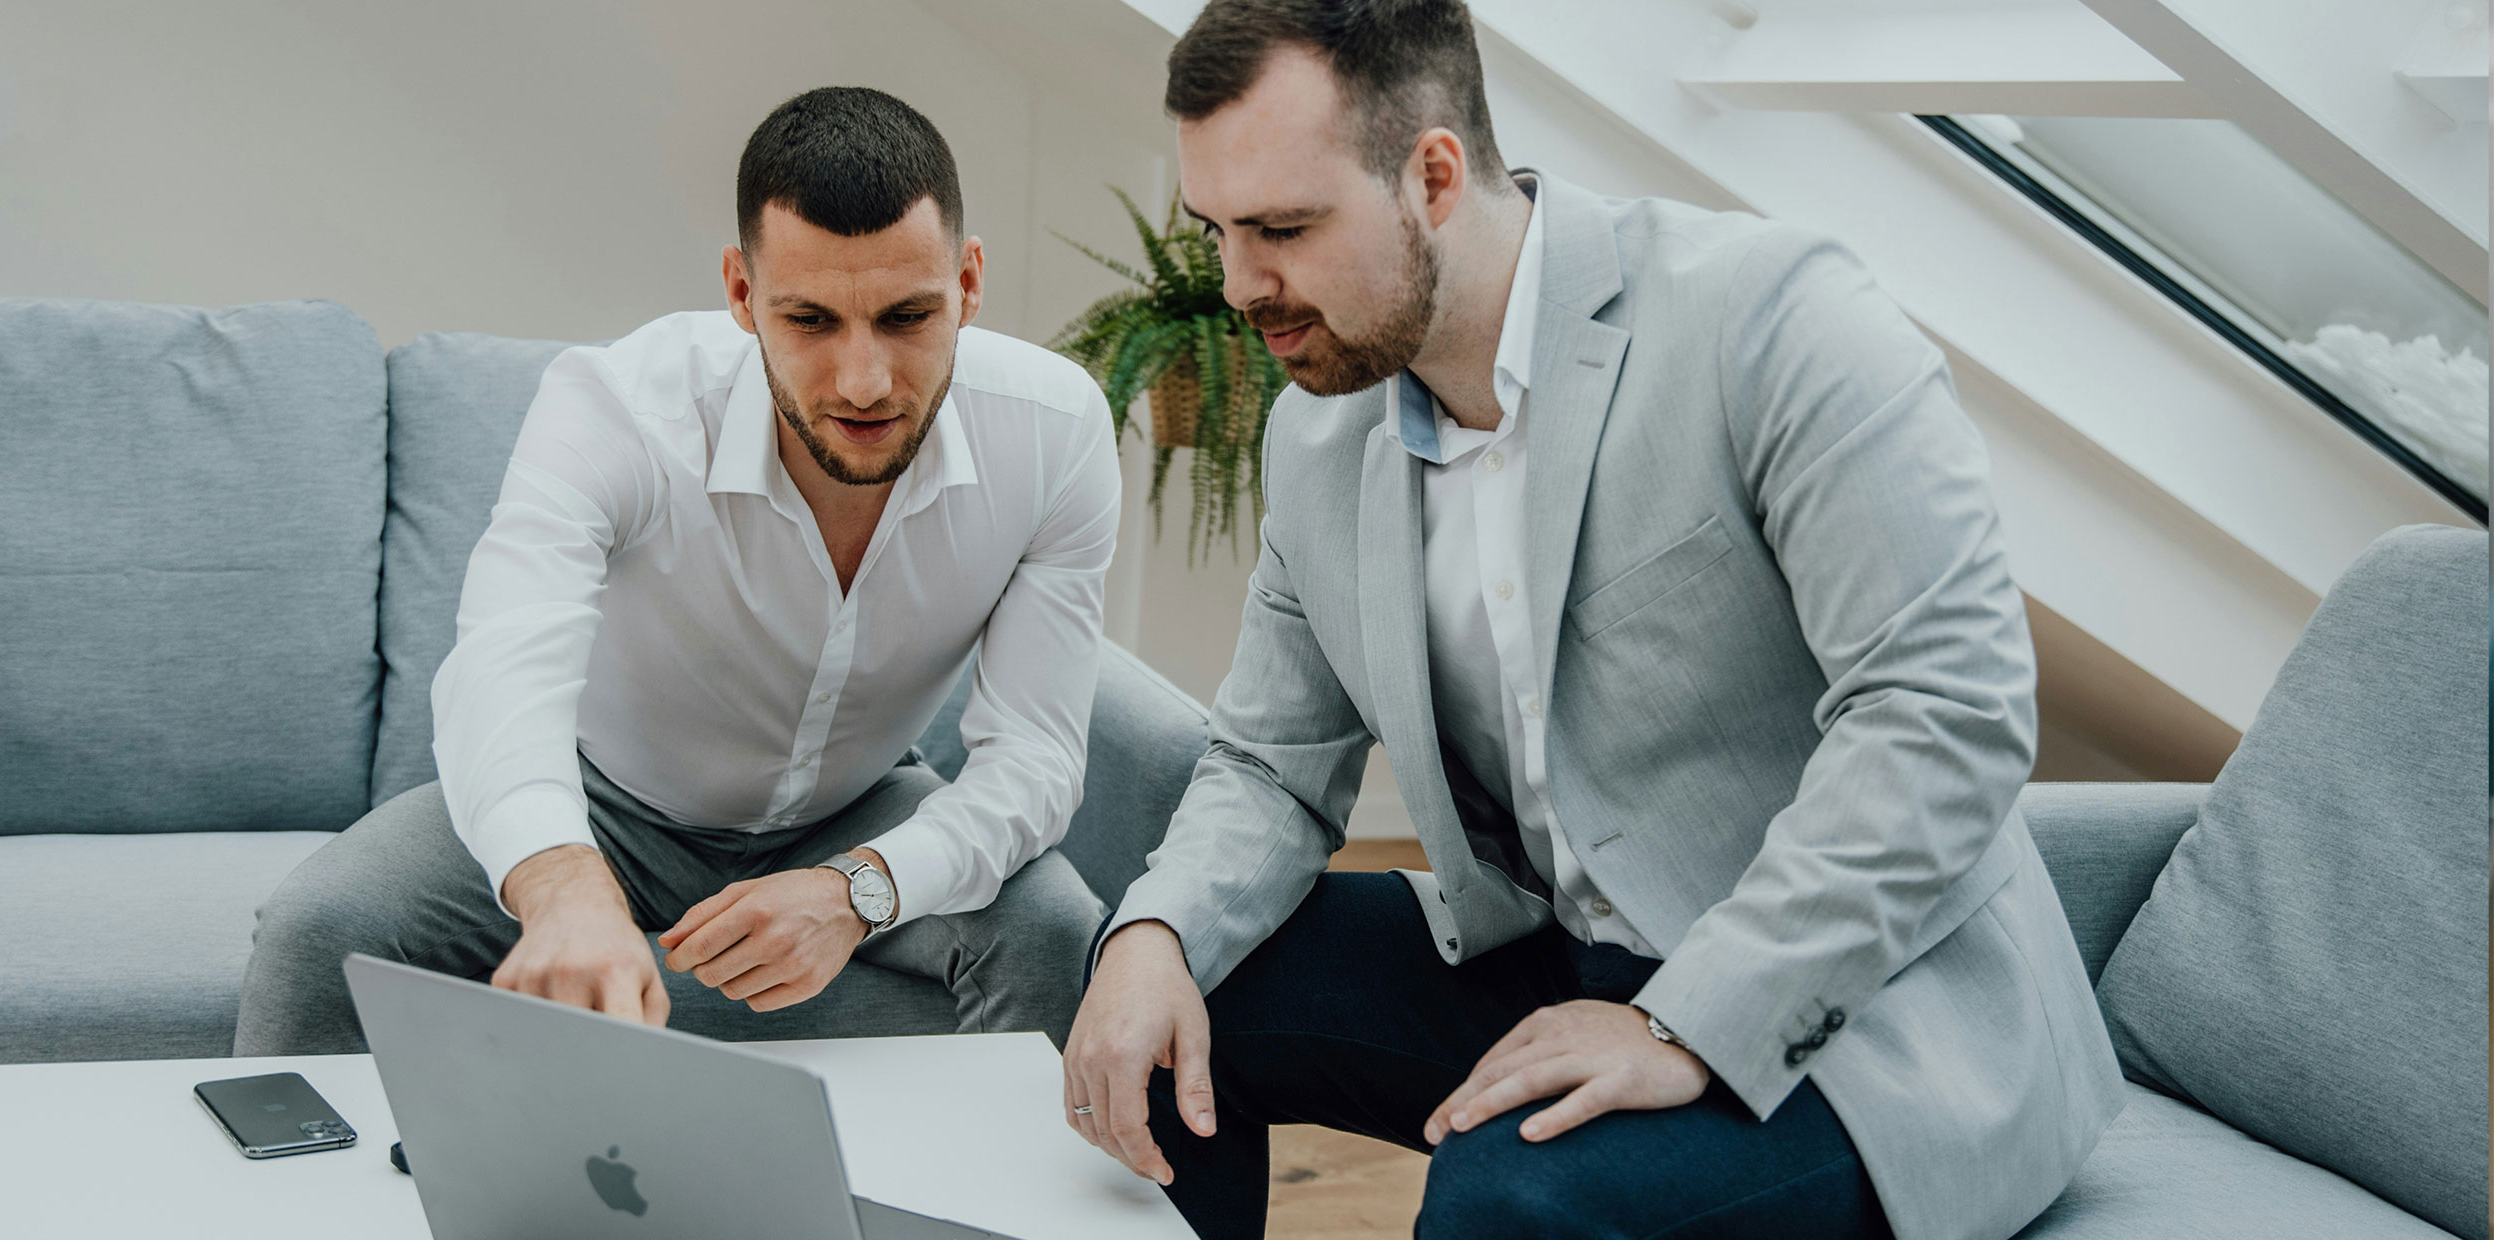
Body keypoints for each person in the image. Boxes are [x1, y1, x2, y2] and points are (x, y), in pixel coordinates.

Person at [1060, 4, 2122, 1239]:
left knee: (1508, 1200)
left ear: (1435, 175)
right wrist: (1153, 931)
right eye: (1218, 232)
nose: (1241, 286)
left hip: (1872, 1021)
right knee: (1172, 1007)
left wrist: (1692, 1021)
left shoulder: (1771, 321)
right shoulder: (1319, 433)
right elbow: (1269, 765)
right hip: (1565, 949)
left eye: (1283, 230)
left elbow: (1948, 714)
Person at [235, 86, 1119, 1056]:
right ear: (741, 294)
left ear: (971, 282)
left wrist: (859, 888)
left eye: (908, 316)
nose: (864, 380)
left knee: (1055, 926)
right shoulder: (617, 408)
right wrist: (564, 881)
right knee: (321, 928)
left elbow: (1035, 760)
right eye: (811, 320)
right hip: (606, 799)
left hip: (856, 806)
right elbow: (502, 668)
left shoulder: (1055, 430)